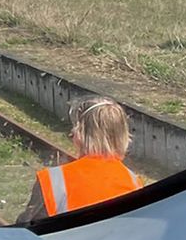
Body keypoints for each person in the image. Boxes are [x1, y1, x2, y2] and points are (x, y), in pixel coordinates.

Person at [17, 96, 146, 223]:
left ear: (79, 135)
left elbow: (27, 232)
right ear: (123, 135)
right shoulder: (134, 182)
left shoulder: (51, 180)